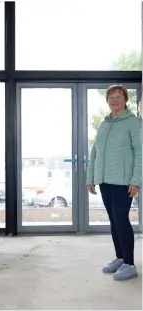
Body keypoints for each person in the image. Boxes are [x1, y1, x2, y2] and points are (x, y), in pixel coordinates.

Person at [87, 84, 142, 281]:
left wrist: (136, 181)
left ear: (125, 100)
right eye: (111, 97)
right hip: (105, 181)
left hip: (124, 181)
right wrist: (91, 178)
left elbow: (140, 153)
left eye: (119, 96)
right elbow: (95, 153)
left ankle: (129, 263)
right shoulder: (104, 123)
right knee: (113, 221)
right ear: (107, 101)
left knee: (121, 219)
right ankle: (120, 258)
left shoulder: (133, 123)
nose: (115, 99)